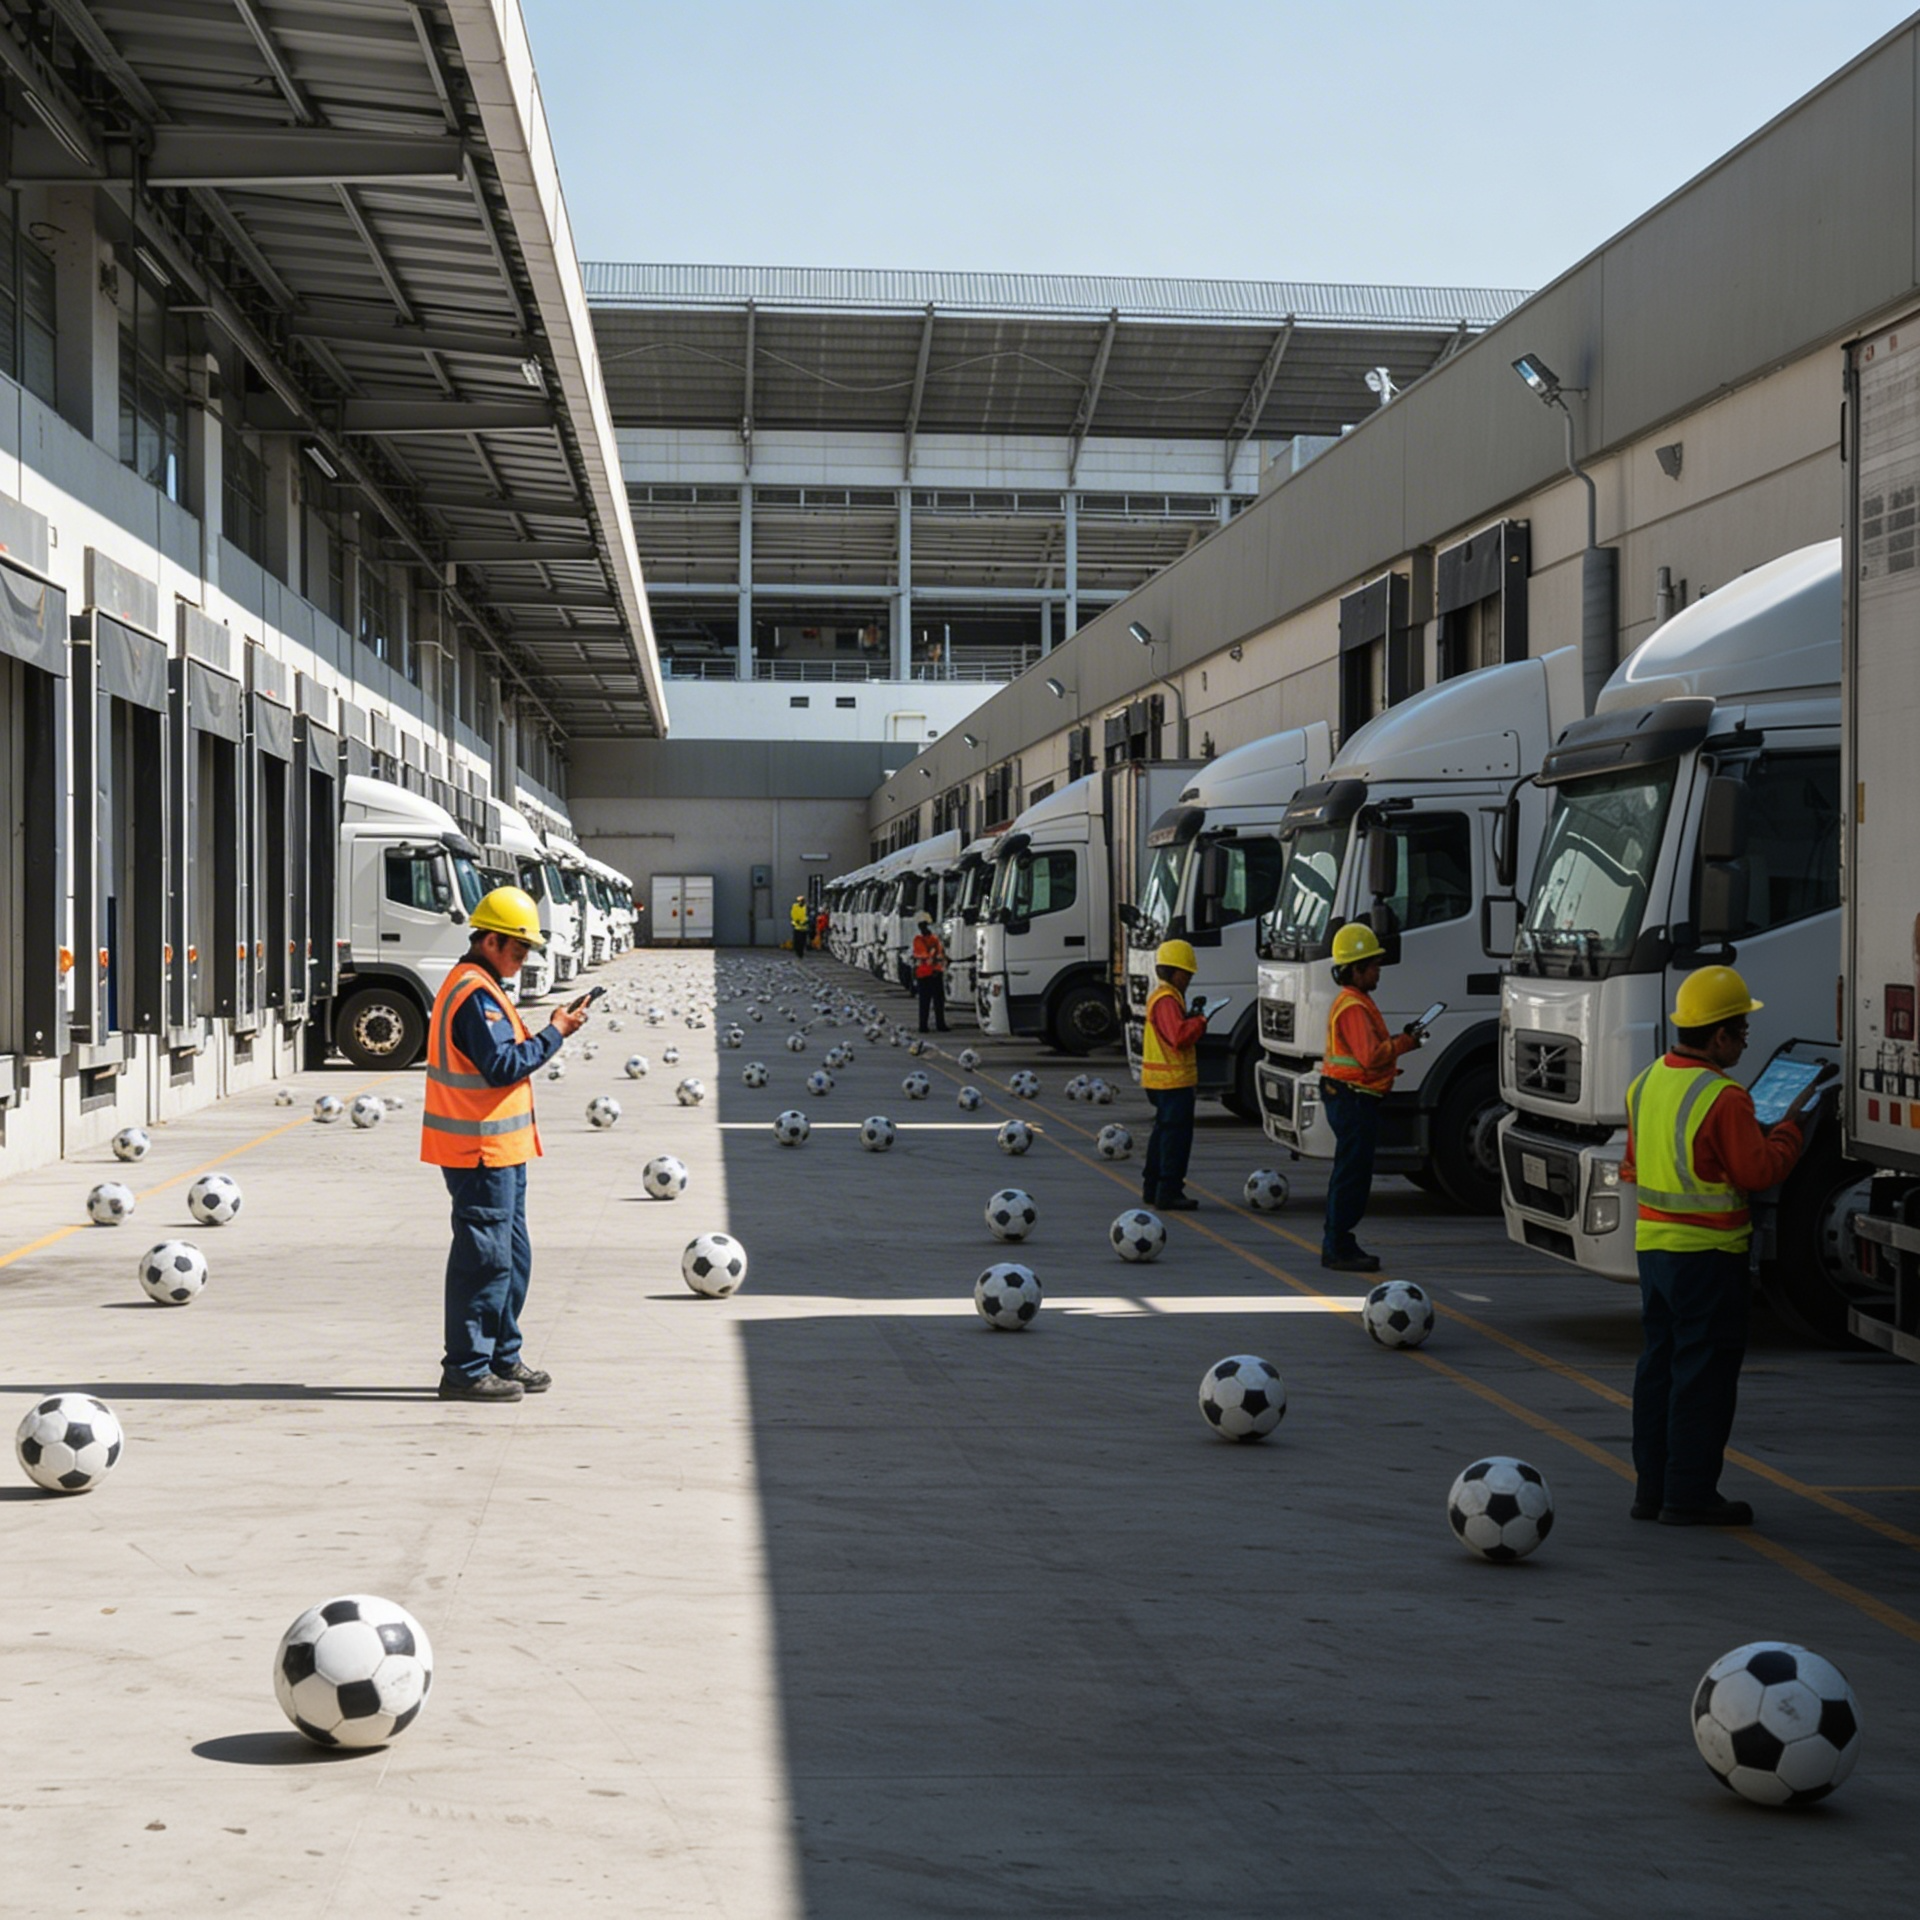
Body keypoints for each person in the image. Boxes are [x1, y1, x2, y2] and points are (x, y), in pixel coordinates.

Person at [1622, 966, 1821, 1526]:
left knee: (1659, 1367)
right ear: (1719, 1037)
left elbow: (1635, 1164)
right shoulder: (1725, 1096)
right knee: (1703, 1376)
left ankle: (1652, 1489)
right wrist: (1789, 1129)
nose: (1744, 1043)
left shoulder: (1647, 1081)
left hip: (1654, 1252)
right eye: (1741, 1033)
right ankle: (1688, 1494)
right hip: (1708, 1257)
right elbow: (1759, 1172)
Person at [421, 886, 587, 1403]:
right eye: (517, 949)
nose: (523, 959)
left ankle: (501, 1356)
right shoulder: (474, 993)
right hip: (478, 1153)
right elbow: (502, 1066)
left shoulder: (486, 986)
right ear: (489, 940)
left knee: (511, 1258)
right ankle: (467, 1369)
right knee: (484, 1259)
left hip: (503, 1152)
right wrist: (555, 1033)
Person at [1320, 922, 1424, 1272]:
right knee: (1352, 1174)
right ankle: (1338, 1245)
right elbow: (1370, 1056)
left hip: (1352, 1097)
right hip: (1352, 1099)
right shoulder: (1353, 1005)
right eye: (1373, 964)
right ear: (1356, 969)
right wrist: (1405, 1043)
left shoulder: (1357, 1001)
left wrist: (1399, 1040)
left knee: (1351, 1172)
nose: (1379, 970)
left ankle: (1339, 1241)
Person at [1140, 938, 1218, 1211]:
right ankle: (1169, 1191)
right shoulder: (1166, 1000)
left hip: (1162, 1082)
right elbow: (1179, 1036)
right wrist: (1201, 1020)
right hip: (1172, 1083)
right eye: (1187, 974)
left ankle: (1152, 1187)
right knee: (1175, 1138)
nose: (1189, 979)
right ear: (1175, 972)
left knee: (1162, 1134)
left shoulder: (1164, 997)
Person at [911, 910, 949, 1032]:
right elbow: (926, 955)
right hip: (926, 974)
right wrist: (934, 957)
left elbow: (936, 954)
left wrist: (935, 959)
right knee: (927, 1002)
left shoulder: (931, 939)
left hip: (930, 973)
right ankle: (925, 1025)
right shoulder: (920, 940)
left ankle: (938, 1024)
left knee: (936, 1002)